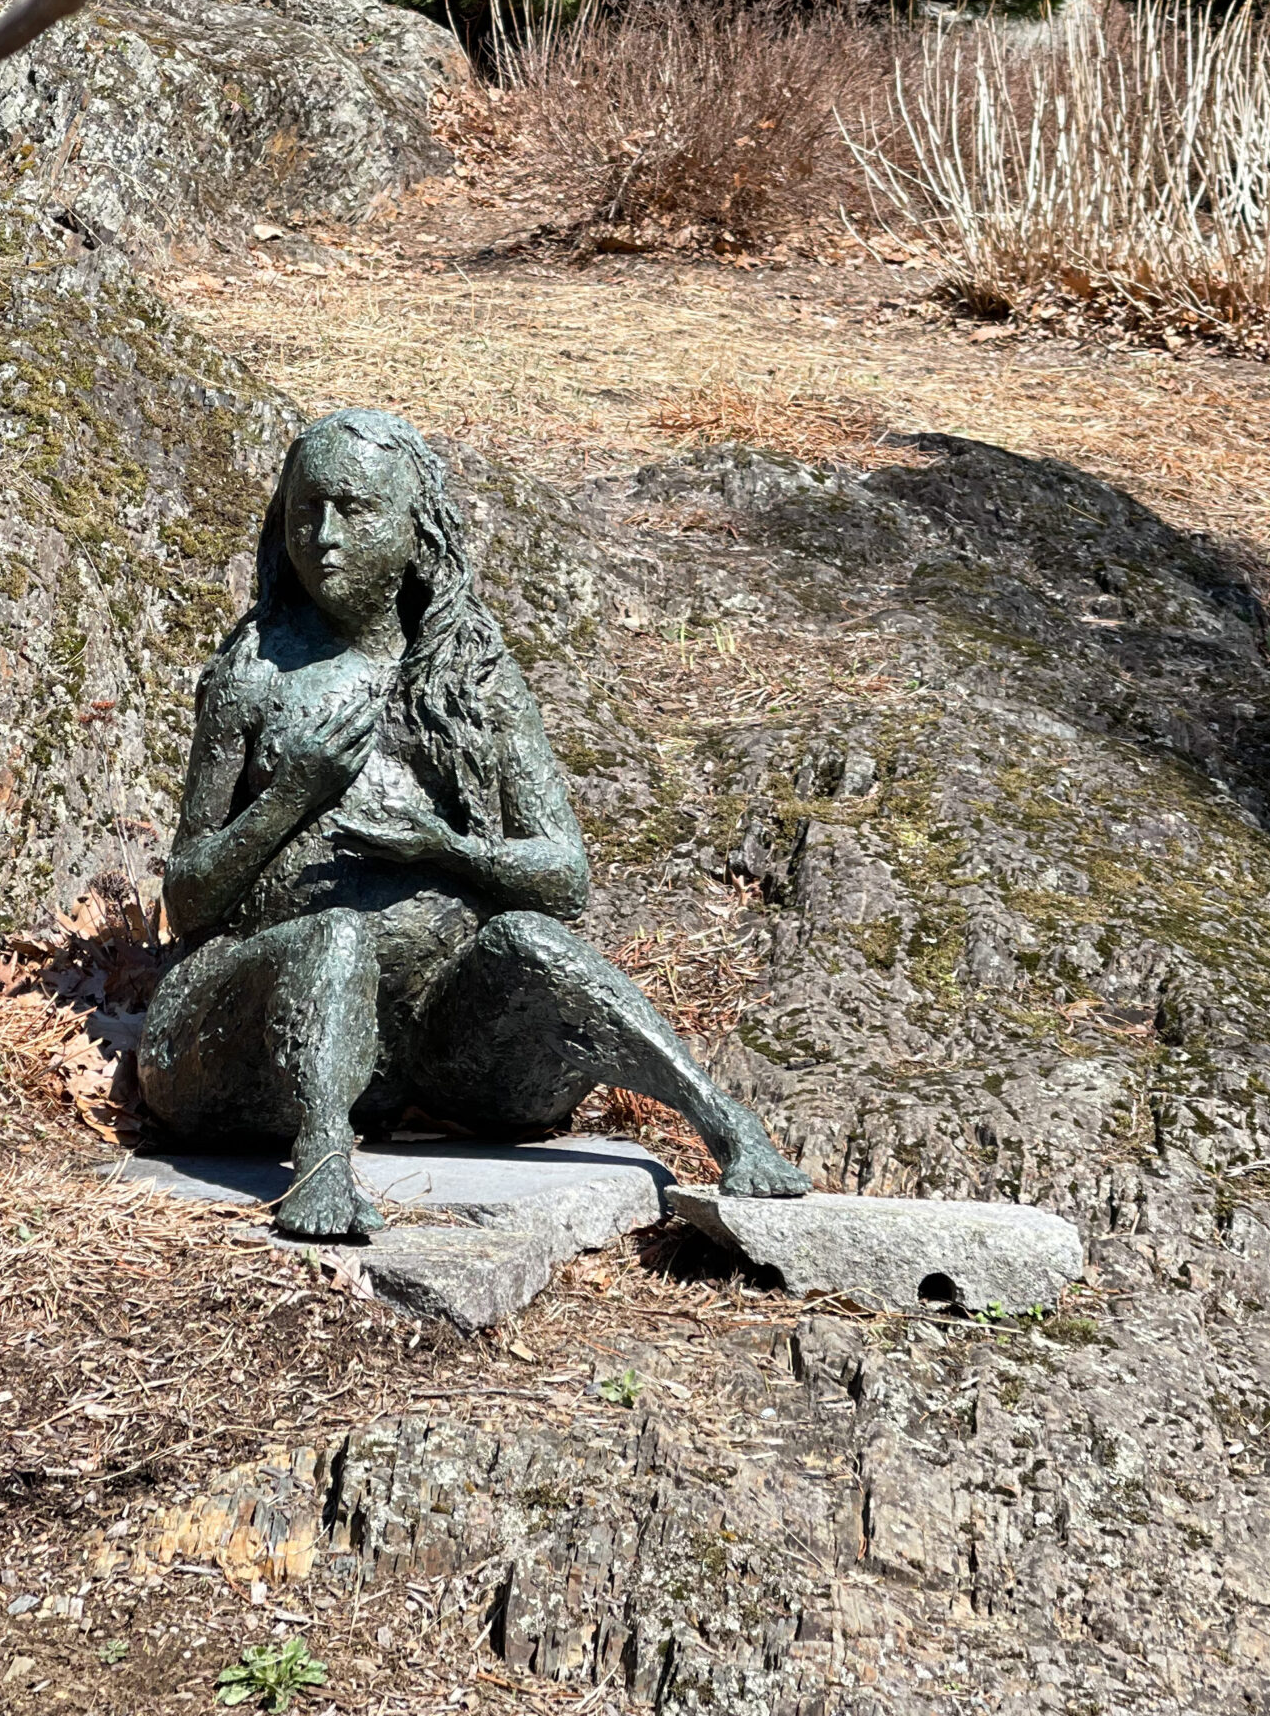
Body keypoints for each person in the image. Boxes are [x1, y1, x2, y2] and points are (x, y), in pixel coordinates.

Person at [139, 408, 811, 1240]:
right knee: (335, 938)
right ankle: (320, 1163)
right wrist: (292, 795)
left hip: (429, 1044)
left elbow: (562, 876)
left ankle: (723, 1120)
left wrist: (447, 848)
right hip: (245, 1034)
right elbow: (191, 901)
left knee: (528, 942)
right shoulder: (255, 670)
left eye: (354, 509)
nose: (323, 535)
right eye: (306, 510)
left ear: (417, 531)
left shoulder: (470, 673)